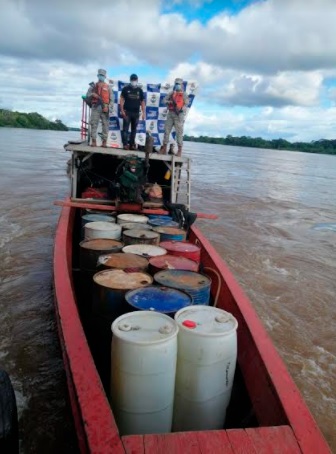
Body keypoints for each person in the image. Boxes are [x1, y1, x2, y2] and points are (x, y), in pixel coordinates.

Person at [160, 78, 189, 157]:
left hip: (179, 115)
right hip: (171, 113)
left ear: (182, 85)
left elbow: (186, 104)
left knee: (179, 132)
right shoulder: (171, 93)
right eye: (176, 83)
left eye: (179, 84)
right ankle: (164, 148)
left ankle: (179, 151)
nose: (177, 85)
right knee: (166, 130)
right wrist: (170, 102)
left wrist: (181, 109)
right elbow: (163, 101)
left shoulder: (184, 94)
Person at [86, 69, 113, 147]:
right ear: (98, 76)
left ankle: (104, 142)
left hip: (105, 107)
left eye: (102, 75)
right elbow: (87, 95)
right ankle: (94, 141)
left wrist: (108, 107)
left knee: (105, 125)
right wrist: (92, 94)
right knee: (93, 124)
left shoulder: (108, 87)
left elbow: (112, 99)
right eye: (100, 75)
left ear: (104, 77)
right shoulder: (93, 86)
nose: (101, 76)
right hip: (95, 107)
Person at [120, 74, 145, 150]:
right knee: (125, 129)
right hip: (127, 112)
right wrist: (122, 110)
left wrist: (144, 113)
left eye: (135, 79)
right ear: (130, 80)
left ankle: (132, 144)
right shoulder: (125, 89)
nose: (134, 81)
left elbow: (142, 102)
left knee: (134, 130)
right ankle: (125, 144)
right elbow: (121, 99)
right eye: (132, 79)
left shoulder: (140, 90)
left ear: (137, 80)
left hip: (136, 113)